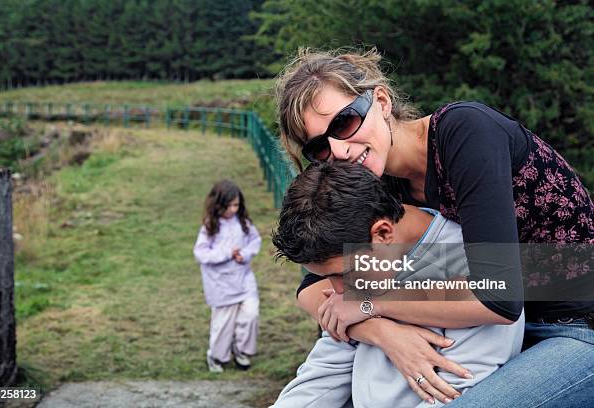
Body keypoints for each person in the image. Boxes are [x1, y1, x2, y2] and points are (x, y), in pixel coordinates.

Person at [274, 48, 594, 406]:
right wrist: (381, 331)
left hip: (574, 328)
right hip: (491, 336)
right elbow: (316, 285)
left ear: (381, 101)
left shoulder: (465, 132)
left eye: (344, 123)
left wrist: (367, 305)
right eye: (318, 148)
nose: (339, 150)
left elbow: (499, 296)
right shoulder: (374, 179)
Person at [270, 161, 524, 407]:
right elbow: (324, 374)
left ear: (383, 234)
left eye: (342, 274)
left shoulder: (472, 268)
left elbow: (460, 394)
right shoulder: (363, 276)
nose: (337, 290)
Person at [193, 179, 262, 372]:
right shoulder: (210, 227)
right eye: (229, 205)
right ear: (218, 204)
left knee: (250, 314)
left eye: (236, 205)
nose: (233, 209)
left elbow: (255, 240)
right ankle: (217, 356)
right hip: (220, 283)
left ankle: (242, 350)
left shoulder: (243, 222)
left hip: (244, 279)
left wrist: (245, 254)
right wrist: (225, 254)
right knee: (223, 323)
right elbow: (200, 253)